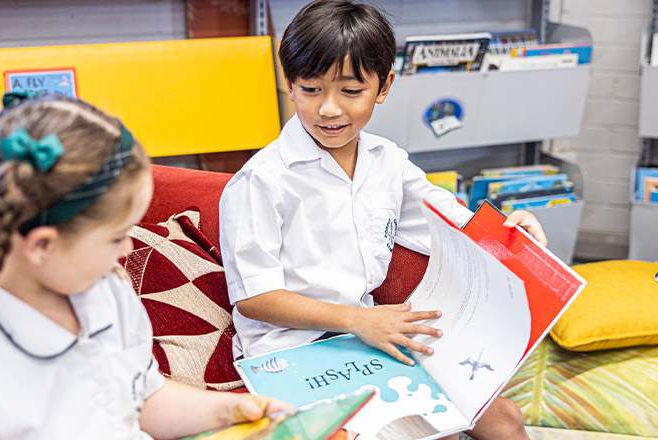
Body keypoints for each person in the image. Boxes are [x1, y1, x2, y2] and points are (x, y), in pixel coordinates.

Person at [218, 1, 546, 439]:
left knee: (505, 419)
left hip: (369, 337)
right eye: (311, 89)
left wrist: (513, 230)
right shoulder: (261, 180)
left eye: (350, 92)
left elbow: (454, 224)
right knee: (424, 431)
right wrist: (358, 321)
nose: (329, 109)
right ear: (290, 85)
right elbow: (254, 298)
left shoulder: (388, 161)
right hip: (293, 352)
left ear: (384, 85)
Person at [0, 95, 288, 439]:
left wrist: (231, 412)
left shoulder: (102, 285)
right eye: (116, 236)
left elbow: (140, 398)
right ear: (42, 246)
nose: (129, 248)